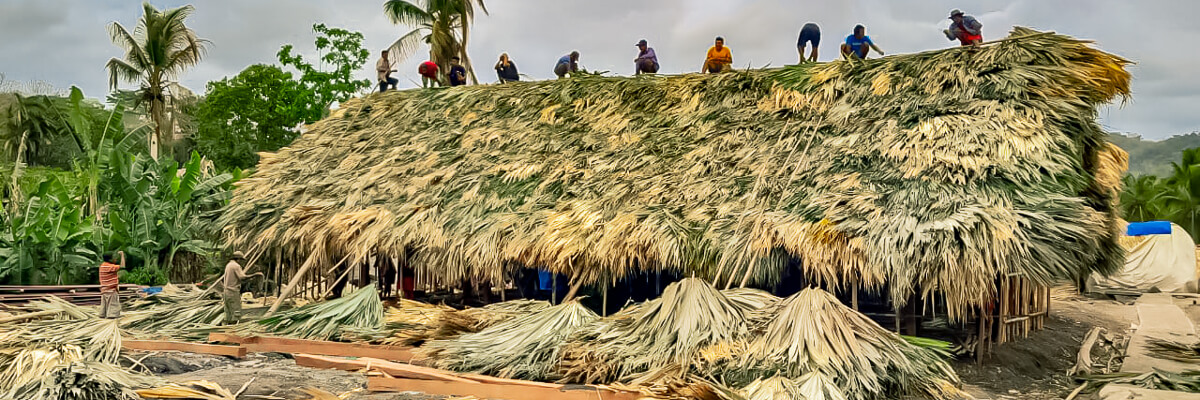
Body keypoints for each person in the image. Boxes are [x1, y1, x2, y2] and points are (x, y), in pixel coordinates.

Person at [222, 251, 262, 325]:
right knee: (236, 313)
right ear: (238, 259)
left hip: (226, 292)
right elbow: (242, 277)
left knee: (228, 313)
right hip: (233, 292)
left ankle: (227, 329)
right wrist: (255, 274)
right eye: (241, 260)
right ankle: (233, 330)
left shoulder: (229, 265)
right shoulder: (236, 266)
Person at [98, 251, 124, 319]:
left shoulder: (102, 266)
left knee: (104, 307)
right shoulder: (110, 267)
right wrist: (122, 255)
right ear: (110, 259)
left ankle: (102, 317)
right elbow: (122, 266)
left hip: (104, 290)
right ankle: (111, 323)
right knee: (113, 310)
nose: (115, 258)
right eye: (114, 257)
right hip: (111, 290)